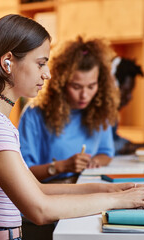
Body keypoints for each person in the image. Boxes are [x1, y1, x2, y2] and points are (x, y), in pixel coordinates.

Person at [0, 14, 144, 240]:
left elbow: (38, 188)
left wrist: (110, 190)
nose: (47, 74)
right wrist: (119, 201)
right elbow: (40, 210)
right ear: (7, 62)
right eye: (40, 63)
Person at [18, 36, 119, 183]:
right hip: (48, 191)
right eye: (76, 87)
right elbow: (23, 174)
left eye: (91, 86)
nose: (84, 95)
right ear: (60, 83)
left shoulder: (99, 109)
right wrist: (62, 167)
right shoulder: (34, 114)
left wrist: (95, 161)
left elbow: (106, 152)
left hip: (85, 186)